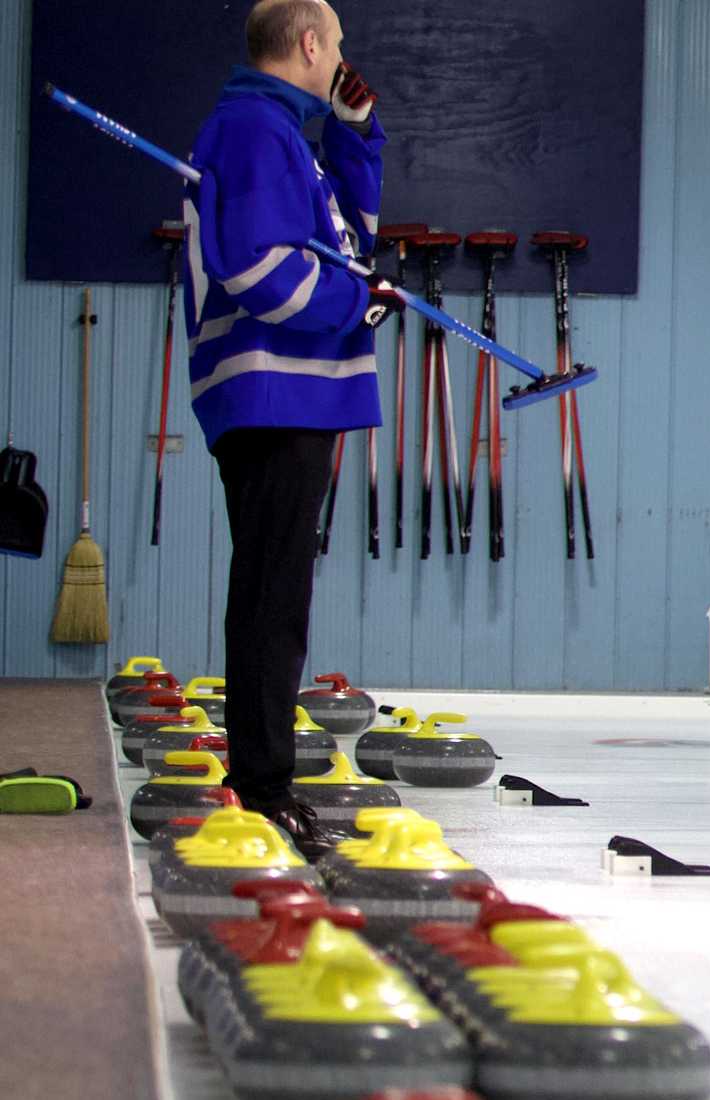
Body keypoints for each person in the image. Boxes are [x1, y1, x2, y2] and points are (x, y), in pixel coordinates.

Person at [184, 0, 395, 840]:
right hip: (275, 391)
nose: (342, 57)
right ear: (309, 44)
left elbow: (351, 239)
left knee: (278, 590)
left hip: (292, 392)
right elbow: (263, 270)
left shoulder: (283, 135)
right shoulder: (252, 129)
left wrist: (354, 134)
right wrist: (358, 304)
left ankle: (264, 777)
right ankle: (264, 788)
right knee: (274, 594)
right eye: (336, 44)